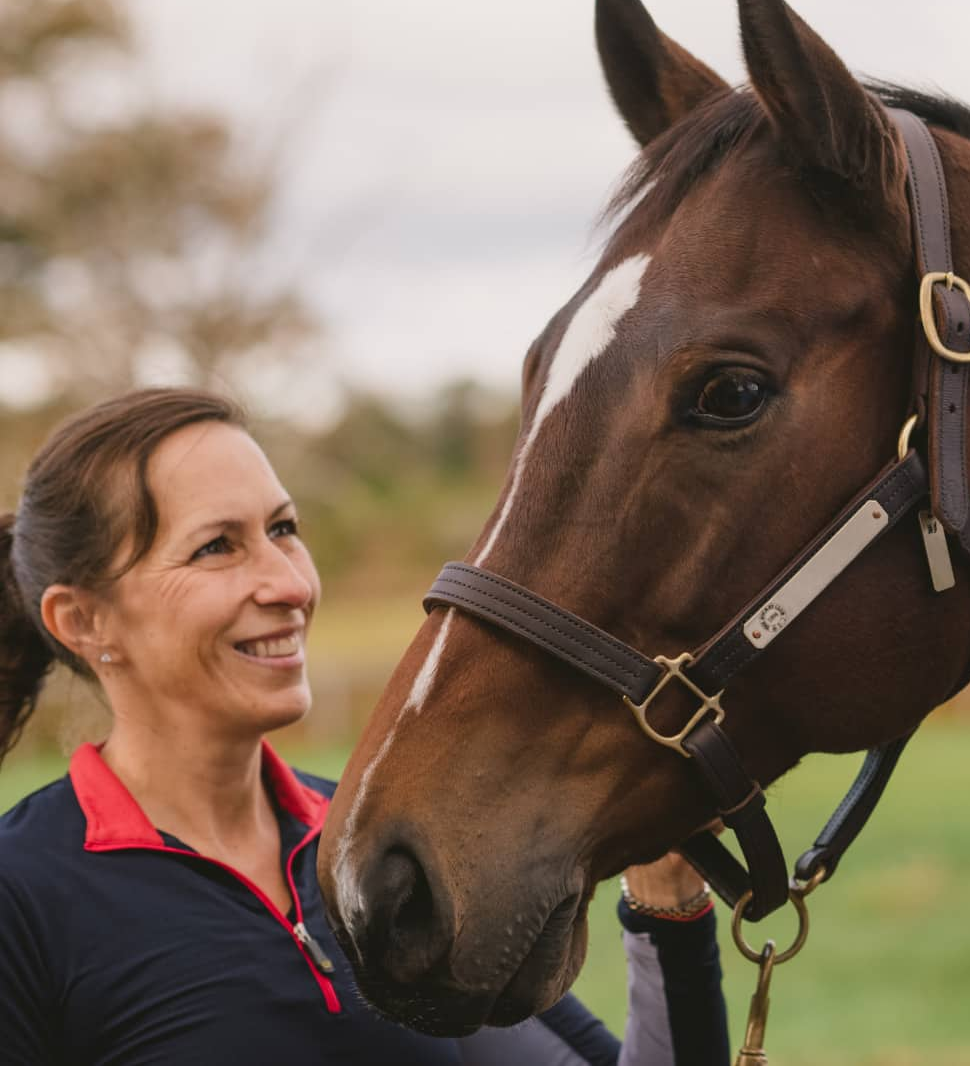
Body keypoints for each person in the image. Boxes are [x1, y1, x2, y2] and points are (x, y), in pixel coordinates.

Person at [0, 388, 730, 1065]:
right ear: (83, 620)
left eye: (283, 529)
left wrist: (666, 891)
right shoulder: (23, 899)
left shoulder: (385, 849)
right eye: (216, 546)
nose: (289, 583)